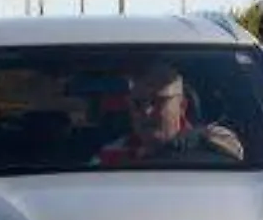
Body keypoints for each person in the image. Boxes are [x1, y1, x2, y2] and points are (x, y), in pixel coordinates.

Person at [95, 61, 244, 166]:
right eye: (138, 104)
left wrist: (195, 141)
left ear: (182, 106)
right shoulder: (111, 154)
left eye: (158, 101)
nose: (147, 111)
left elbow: (235, 152)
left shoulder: (213, 140)